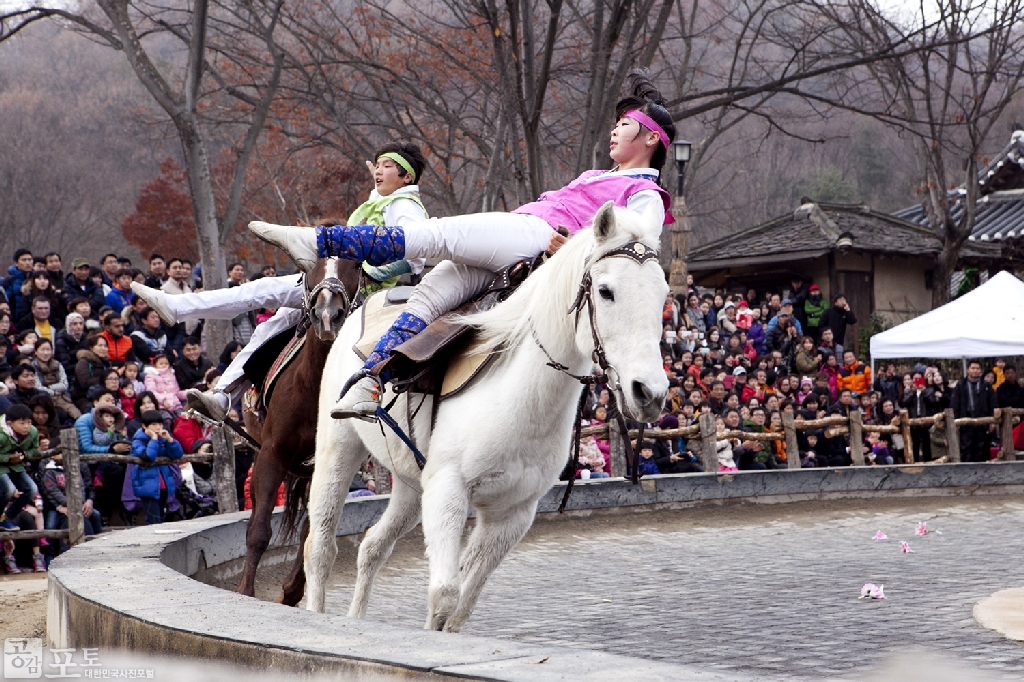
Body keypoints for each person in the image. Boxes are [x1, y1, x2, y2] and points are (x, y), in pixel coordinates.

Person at [252, 71, 677, 420]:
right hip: (525, 244)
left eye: (624, 126)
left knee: (436, 235)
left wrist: (570, 249)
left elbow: (634, 251)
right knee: (428, 298)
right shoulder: (603, 176)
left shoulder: (646, 195)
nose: (614, 132)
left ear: (652, 138)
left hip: (531, 236)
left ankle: (318, 239)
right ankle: (369, 380)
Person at [132, 142, 431, 422]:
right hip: (341, 283)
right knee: (266, 319)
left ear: (407, 177)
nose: (378, 171)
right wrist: (381, 176)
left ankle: (182, 315)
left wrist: (372, 271)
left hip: (365, 295)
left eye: (387, 166)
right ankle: (222, 394)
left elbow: (415, 256)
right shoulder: (385, 201)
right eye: (376, 166)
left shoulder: (406, 207)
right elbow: (378, 205)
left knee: (258, 293)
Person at [130, 410, 184, 524]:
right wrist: (154, 439)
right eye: (154, 424)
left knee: (161, 516)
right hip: (147, 486)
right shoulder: (138, 441)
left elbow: (177, 454)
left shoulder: (163, 438)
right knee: (153, 520)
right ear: (144, 426)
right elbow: (149, 456)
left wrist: (170, 440)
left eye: (160, 424)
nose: (158, 427)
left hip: (163, 484)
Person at [951, 360, 997, 462]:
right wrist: (956, 420)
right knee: (966, 449)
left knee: (981, 448)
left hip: (982, 420)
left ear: (980, 371)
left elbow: (992, 403)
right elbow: (955, 403)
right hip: (965, 420)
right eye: (973, 368)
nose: (975, 371)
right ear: (968, 370)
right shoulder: (960, 385)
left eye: (977, 368)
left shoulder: (986, 385)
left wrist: (992, 421)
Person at [32, 338, 80, 419]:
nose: (46, 353)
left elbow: (65, 384)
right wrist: (53, 392)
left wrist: (51, 387)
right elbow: (37, 386)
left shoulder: (58, 364)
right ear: (36, 351)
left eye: (48, 350)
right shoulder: (33, 366)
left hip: (62, 396)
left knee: (75, 413)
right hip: (45, 398)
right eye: (42, 350)